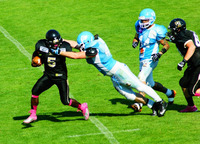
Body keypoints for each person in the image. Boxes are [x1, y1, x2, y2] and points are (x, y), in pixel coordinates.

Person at [51, 31, 168, 117]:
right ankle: (153, 105)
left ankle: (160, 102)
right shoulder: (93, 42)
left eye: (82, 46)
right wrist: (61, 40)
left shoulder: (93, 50)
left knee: (139, 86)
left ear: (87, 43)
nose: (81, 48)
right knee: (129, 96)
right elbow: (75, 44)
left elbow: (75, 55)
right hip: (113, 75)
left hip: (119, 71)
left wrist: (58, 52)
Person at [23, 29, 89, 124]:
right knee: (34, 92)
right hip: (48, 75)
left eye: (57, 42)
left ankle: (82, 106)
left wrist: (81, 49)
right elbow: (36, 54)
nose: (56, 45)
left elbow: (73, 53)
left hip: (61, 76)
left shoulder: (64, 46)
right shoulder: (41, 45)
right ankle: (33, 114)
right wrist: (34, 60)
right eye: (53, 43)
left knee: (65, 101)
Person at [131, 8, 176, 111]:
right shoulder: (139, 26)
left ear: (151, 19)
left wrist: (159, 54)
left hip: (151, 59)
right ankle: (170, 93)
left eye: (145, 20)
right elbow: (137, 35)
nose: (143, 22)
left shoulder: (156, 30)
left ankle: (139, 104)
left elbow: (166, 45)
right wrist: (135, 41)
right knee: (150, 84)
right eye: (142, 20)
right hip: (142, 58)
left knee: (141, 79)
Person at [167, 18, 200, 112]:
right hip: (193, 64)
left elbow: (191, 46)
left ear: (177, 29)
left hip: (198, 64)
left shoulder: (181, 35)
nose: (171, 32)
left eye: (172, 30)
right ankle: (191, 106)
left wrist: (183, 61)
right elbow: (183, 41)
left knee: (192, 91)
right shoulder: (185, 33)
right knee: (183, 83)